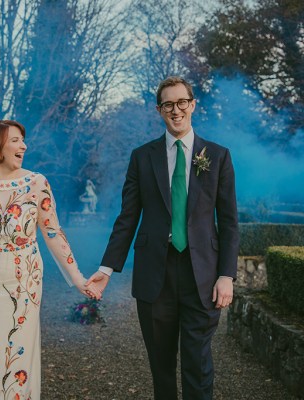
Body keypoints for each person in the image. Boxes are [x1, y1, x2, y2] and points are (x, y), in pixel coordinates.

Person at [86, 76, 239, 399]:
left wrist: (227, 274)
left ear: (193, 105)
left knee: (198, 365)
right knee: (162, 367)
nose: (176, 110)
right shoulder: (142, 157)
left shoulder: (219, 156)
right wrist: (107, 268)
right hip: (155, 275)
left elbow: (228, 222)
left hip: (204, 274)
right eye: (168, 104)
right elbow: (128, 218)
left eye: (182, 102)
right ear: (159, 110)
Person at [0, 119, 102, 400]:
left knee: (19, 358)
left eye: (23, 140)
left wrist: (78, 278)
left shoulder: (37, 183)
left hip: (24, 284)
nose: (24, 146)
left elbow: (54, 234)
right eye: (16, 140)